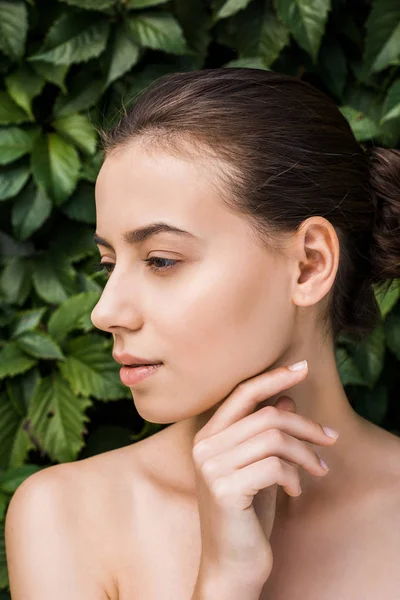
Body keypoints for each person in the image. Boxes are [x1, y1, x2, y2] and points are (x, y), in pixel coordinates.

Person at [5, 67, 400, 599]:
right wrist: (223, 581)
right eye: (108, 263)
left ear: (309, 264)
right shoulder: (67, 516)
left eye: (161, 259)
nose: (105, 312)